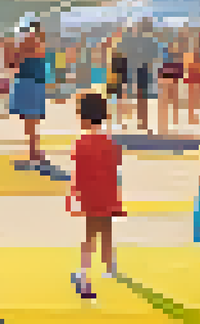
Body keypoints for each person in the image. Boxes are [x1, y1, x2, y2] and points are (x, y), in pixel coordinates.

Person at [68, 93, 123, 299]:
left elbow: (78, 174)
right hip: (108, 192)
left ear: (82, 116)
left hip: (90, 195)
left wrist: (75, 195)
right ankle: (109, 266)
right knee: (107, 229)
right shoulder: (110, 142)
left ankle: (84, 274)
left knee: (89, 235)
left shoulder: (81, 143)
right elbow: (115, 168)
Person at [9, 20, 49, 167]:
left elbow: (14, 60)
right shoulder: (40, 42)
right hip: (37, 81)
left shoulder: (28, 40)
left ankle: (34, 153)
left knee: (30, 119)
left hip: (28, 81)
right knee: (33, 120)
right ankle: (35, 151)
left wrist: (14, 53)